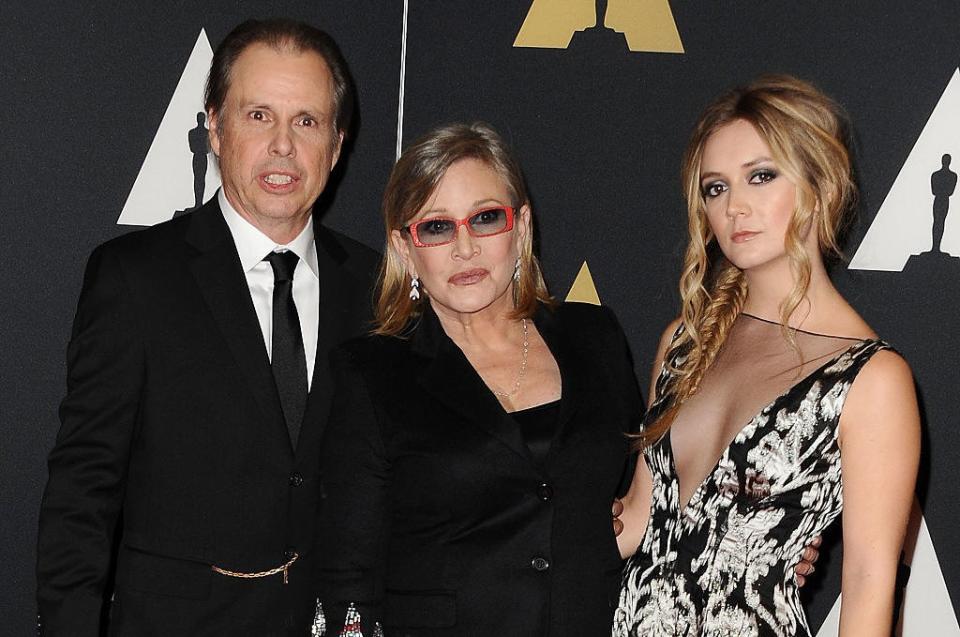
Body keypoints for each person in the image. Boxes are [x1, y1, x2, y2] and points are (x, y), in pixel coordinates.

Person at [35, 19, 379, 637]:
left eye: (306, 121)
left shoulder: (374, 285)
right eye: (258, 116)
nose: (282, 146)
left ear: (336, 143)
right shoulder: (135, 279)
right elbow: (83, 492)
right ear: (215, 129)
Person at [613, 75, 920, 636]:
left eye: (761, 176)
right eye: (715, 188)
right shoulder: (684, 342)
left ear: (820, 185)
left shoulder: (872, 380)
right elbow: (635, 523)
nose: (735, 207)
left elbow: (868, 584)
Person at [313, 122, 643, 636]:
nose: (464, 248)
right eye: (437, 227)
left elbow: (651, 495)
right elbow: (348, 576)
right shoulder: (372, 374)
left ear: (522, 226)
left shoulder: (594, 337)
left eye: (486, 218)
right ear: (405, 249)